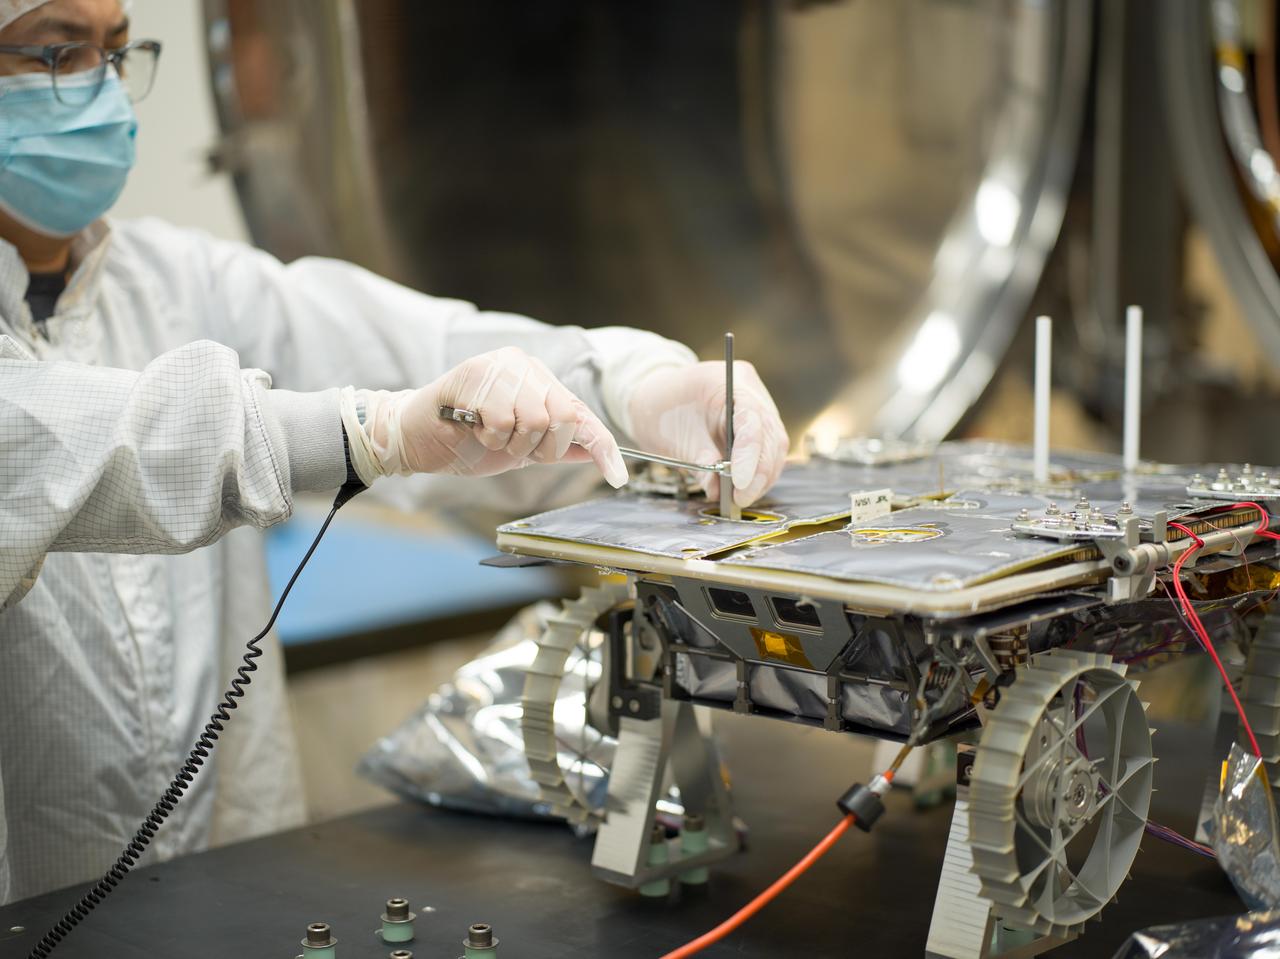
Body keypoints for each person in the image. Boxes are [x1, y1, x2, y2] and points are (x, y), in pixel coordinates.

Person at [0, 0, 790, 905]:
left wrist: (631, 386)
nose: (101, 89)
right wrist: (369, 432)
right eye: (57, 53)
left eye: (114, 49)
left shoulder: (178, 282)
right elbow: (89, 441)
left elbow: (423, 354)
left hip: (227, 885)